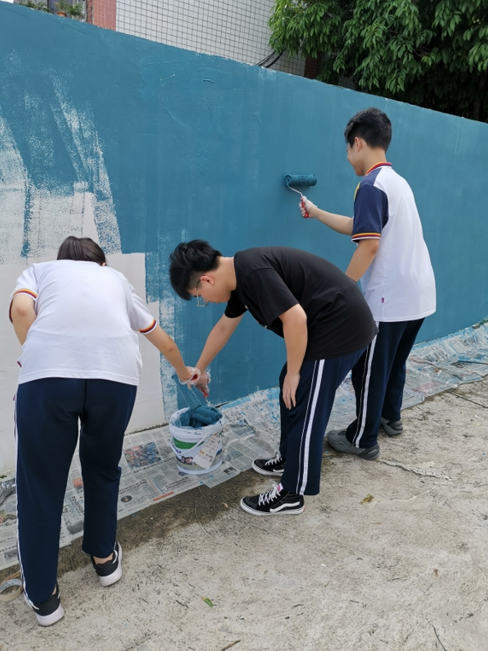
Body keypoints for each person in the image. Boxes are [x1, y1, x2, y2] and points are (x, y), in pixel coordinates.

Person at [10, 236, 198, 626]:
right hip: (115, 378)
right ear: (101, 263)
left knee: (40, 483)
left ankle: (44, 598)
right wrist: (186, 373)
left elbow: (23, 309)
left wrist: (37, 354)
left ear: (62, 261)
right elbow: (161, 339)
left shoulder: (40, 272)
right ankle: (105, 559)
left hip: (49, 380)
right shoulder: (115, 279)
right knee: (102, 467)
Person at [169, 240, 377, 517]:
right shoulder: (240, 277)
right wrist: (201, 369)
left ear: (207, 280)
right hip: (325, 326)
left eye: (199, 296)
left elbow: (296, 319)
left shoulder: (252, 272)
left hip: (341, 328)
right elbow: (223, 328)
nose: (206, 302)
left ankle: (292, 493)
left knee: (305, 401)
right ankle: (289, 458)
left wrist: (294, 373)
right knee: (291, 388)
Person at [299, 107, 436, 460]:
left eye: (348, 149)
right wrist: (316, 212)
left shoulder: (370, 185)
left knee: (368, 369)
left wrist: (342, 290)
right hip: (419, 294)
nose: (348, 158)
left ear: (358, 143)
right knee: (394, 361)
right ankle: (390, 417)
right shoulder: (396, 182)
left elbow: (369, 244)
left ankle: (363, 439)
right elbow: (360, 226)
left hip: (390, 299)